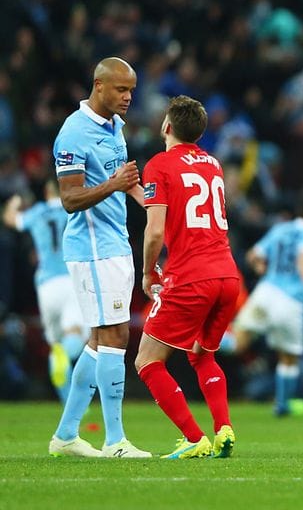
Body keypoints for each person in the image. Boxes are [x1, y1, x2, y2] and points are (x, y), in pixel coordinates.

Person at [48, 57, 150, 458]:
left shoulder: (114, 126)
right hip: (91, 248)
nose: (128, 98)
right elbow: (70, 199)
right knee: (114, 335)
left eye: (132, 91)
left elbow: (126, 183)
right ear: (99, 86)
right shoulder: (73, 133)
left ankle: (67, 436)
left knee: (99, 340)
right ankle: (114, 441)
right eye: (122, 90)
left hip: (115, 242)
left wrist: (151, 206)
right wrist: (114, 184)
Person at [134, 96, 240, 459]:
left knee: (147, 361)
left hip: (191, 277)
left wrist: (148, 273)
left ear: (166, 127)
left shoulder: (160, 165)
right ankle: (223, 427)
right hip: (227, 275)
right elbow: (181, 206)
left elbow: (154, 232)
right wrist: (137, 191)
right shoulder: (213, 165)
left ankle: (194, 438)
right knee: (202, 355)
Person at [233, 185, 303, 416]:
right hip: (290, 300)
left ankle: (198, 340)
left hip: (265, 292)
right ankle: (282, 405)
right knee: (290, 356)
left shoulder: (281, 228)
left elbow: (254, 255)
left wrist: (259, 267)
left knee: (237, 342)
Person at [3, 180, 86, 403]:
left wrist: (14, 203)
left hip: (46, 286)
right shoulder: (75, 209)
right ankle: (65, 357)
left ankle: (68, 406)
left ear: (46, 190)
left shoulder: (37, 212)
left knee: (55, 345)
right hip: (71, 281)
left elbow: (11, 220)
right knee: (76, 338)